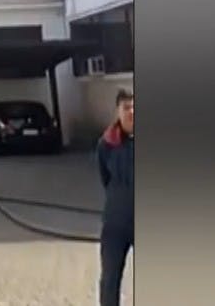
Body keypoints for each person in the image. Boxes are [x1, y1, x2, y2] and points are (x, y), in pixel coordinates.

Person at [96, 90, 134, 306]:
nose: (131, 111)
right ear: (118, 111)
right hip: (115, 225)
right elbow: (105, 177)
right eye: (126, 107)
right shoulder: (106, 144)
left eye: (134, 106)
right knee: (110, 279)